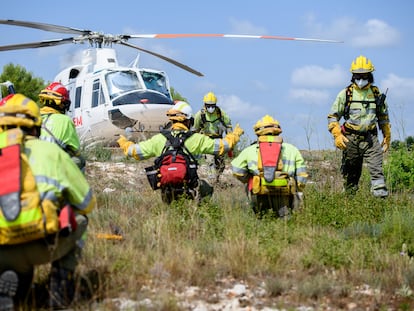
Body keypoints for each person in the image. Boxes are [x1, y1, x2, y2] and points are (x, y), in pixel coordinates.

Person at [0, 94, 96, 310]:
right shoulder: (52, 152)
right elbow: (87, 203)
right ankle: (61, 284)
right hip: (43, 244)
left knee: (13, 265)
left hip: (2, 246)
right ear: (36, 126)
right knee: (80, 218)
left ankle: (17, 282)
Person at [117, 101, 244, 204]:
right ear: (188, 121)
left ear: (172, 120)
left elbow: (132, 151)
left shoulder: (159, 139)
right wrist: (235, 134)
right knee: (207, 188)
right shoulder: (195, 139)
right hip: (188, 188)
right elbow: (223, 146)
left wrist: (123, 141)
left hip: (166, 190)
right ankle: (199, 212)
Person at [327, 55, 391, 197]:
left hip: (371, 138)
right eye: (358, 76)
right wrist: (337, 134)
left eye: (364, 75)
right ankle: (349, 204)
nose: (361, 79)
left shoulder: (376, 94)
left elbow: (383, 117)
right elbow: (332, 117)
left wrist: (387, 135)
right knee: (351, 174)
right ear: (353, 76)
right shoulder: (346, 94)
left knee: (377, 170)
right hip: (350, 139)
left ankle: (380, 203)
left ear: (370, 75)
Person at [231, 115, 308, 218]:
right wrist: (297, 189)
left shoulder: (250, 150)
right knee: (285, 223)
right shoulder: (292, 149)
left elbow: (236, 171)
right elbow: (302, 177)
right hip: (285, 194)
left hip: (259, 193)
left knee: (261, 220)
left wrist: (249, 179)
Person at [38, 82, 85, 171]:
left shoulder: (33, 116)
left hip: (32, 164)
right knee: (80, 160)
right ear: (62, 104)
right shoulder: (65, 121)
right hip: (50, 166)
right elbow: (76, 150)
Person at [193, 92, 233, 182]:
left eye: (212, 105)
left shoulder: (220, 113)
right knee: (210, 162)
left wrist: (230, 141)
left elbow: (228, 126)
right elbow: (195, 129)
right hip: (206, 140)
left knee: (220, 163)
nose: (210, 107)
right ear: (204, 105)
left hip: (219, 139)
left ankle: (217, 179)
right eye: (208, 105)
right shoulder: (200, 115)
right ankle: (212, 181)